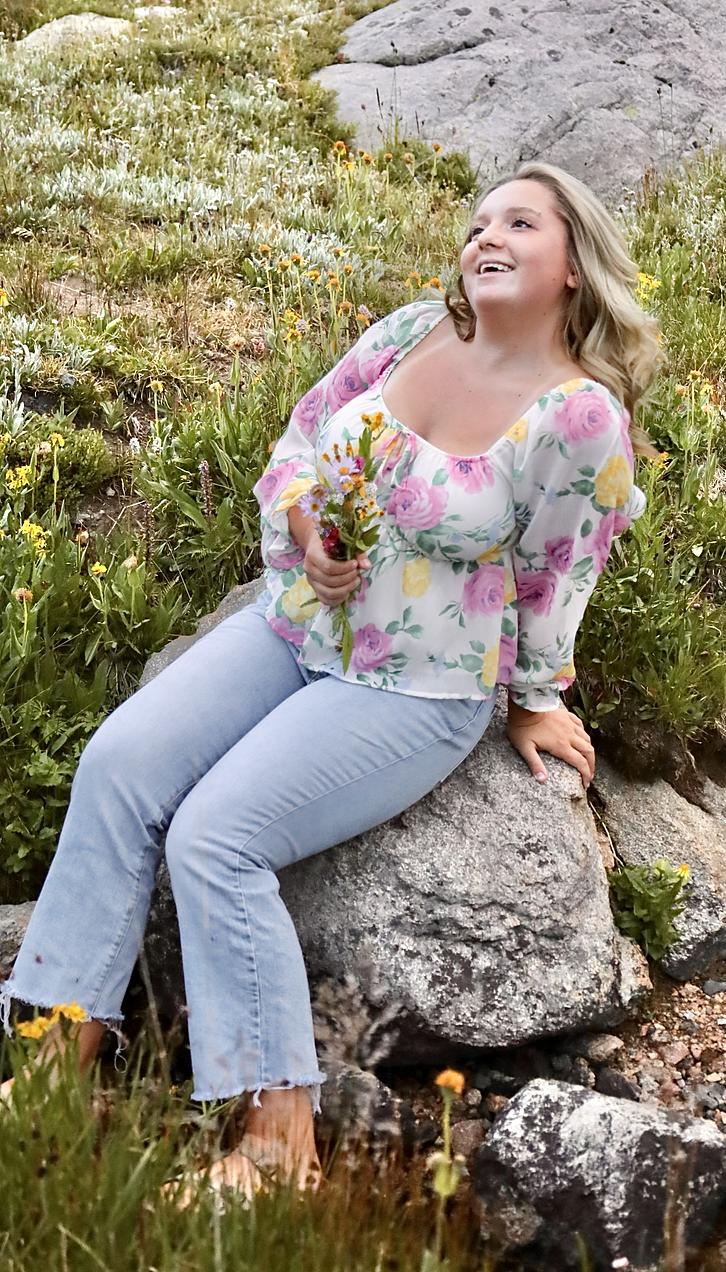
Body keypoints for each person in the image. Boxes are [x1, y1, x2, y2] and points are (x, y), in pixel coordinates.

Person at [0, 161, 660, 1202]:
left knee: (215, 837)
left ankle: (278, 1145)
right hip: (293, 626)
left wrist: (536, 698)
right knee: (119, 762)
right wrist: (309, 536)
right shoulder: (412, 333)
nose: (486, 236)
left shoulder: (577, 419)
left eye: (520, 223)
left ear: (574, 265)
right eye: (478, 221)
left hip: (416, 686)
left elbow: (558, 570)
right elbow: (302, 444)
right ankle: (57, 1069)